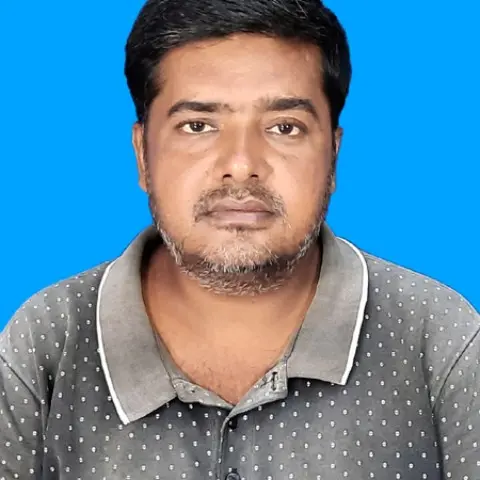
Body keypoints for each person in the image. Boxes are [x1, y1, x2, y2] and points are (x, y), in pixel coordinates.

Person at [1, 0, 479, 478]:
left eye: (284, 127)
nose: (242, 164)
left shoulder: (441, 338)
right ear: (143, 155)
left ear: (333, 156)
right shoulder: (47, 340)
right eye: (198, 126)